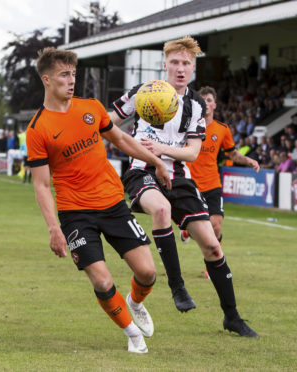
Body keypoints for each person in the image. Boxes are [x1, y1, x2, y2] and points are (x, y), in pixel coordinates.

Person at [110, 36, 259, 338]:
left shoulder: (196, 104)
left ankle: (232, 317)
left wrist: (161, 147)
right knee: (161, 210)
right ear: (164, 64)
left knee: (212, 246)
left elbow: (191, 152)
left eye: (186, 64)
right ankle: (177, 287)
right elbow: (107, 121)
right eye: (175, 62)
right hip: (143, 171)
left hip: (180, 177)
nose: (180, 69)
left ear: (193, 68)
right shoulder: (142, 93)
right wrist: (126, 143)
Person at [26, 47, 172, 354]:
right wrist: (54, 228)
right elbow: (41, 185)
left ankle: (134, 302)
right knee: (103, 281)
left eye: (74, 74)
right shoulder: (38, 129)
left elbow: (121, 139)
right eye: (64, 75)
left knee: (147, 273)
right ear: (47, 79)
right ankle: (133, 335)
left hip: (112, 204)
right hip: (75, 213)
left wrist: (156, 162)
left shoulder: (91, 107)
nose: (71, 80)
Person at [180, 86, 259, 275]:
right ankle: (187, 230)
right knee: (195, 224)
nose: (206, 103)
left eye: (209, 100)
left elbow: (233, 153)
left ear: (214, 104)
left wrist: (248, 160)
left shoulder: (222, 129)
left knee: (215, 224)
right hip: (190, 184)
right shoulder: (187, 126)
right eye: (202, 100)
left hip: (212, 184)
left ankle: (212, 264)